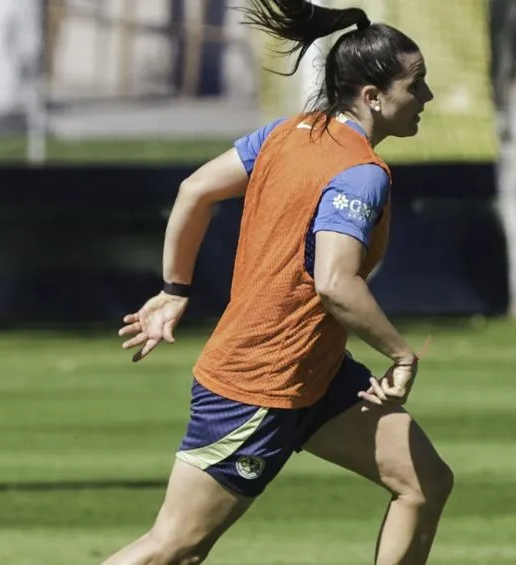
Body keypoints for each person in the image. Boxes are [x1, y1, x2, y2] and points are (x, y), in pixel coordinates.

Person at [104, 2, 450, 564]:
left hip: (318, 377)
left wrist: (175, 290)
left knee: (424, 482)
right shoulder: (361, 175)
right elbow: (335, 283)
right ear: (373, 96)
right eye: (418, 84)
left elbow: (195, 189)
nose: (427, 98)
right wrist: (401, 355)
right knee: (175, 549)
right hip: (259, 384)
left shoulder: (288, 133)